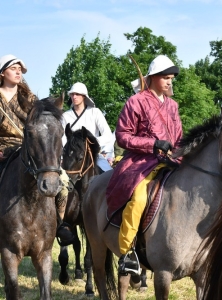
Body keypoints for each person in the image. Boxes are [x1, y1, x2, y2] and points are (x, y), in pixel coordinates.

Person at [105, 55, 183, 275]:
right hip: (140, 161)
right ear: (153, 78)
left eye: (171, 78)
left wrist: (182, 154)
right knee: (139, 197)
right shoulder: (135, 101)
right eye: (165, 78)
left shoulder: (173, 105)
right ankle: (127, 253)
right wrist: (153, 144)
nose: (169, 82)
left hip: (170, 160)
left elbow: (178, 137)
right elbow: (122, 136)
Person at [0, 54, 71, 245]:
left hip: (28, 149)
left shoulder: (30, 99)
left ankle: (60, 223)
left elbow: (43, 125)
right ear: (2, 73)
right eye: (13, 68)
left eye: (20, 69)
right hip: (1, 149)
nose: (18, 72)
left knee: (62, 181)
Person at [61, 82, 113, 172]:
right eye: (72, 94)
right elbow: (63, 139)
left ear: (84, 96)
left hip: (93, 155)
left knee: (110, 177)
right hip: (71, 158)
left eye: (77, 94)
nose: (74, 97)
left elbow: (108, 135)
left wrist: (90, 143)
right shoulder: (65, 116)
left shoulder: (95, 112)